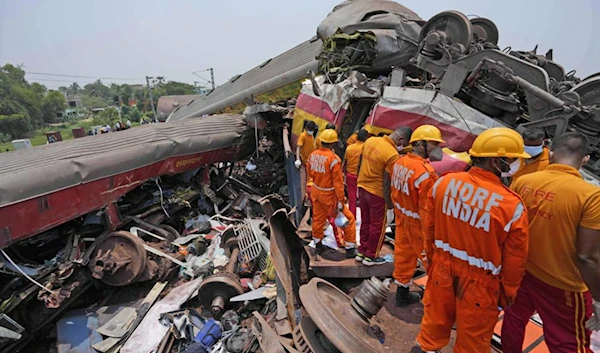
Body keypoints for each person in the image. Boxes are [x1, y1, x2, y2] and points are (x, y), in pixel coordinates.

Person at [417, 127, 530, 353]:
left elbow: (428, 227)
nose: (515, 164)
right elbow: (515, 260)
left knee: (434, 324)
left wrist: (432, 261)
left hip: (442, 268)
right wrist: (506, 295)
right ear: (496, 162)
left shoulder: (444, 183)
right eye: (512, 159)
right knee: (473, 343)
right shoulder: (512, 206)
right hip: (482, 285)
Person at [502, 132, 600, 353]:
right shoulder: (591, 196)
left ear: (552, 152)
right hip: (563, 284)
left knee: (514, 319)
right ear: (585, 159)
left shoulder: (523, 181)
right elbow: (587, 257)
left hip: (523, 271)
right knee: (567, 342)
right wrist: (599, 299)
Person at [391, 125, 444, 307]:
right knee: (433, 263)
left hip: (402, 217)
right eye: (434, 143)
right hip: (418, 224)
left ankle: (402, 294)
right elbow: (428, 210)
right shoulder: (425, 174)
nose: (438, 148)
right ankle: (434, 305)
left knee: (404, 255)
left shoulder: (400, 162)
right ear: (420, 144)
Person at [355, 127, 411, 266]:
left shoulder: (370, 141)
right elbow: (387, 183)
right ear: (400, 140)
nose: (403, 147)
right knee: (378, 226)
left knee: (365, 221)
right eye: (404, 144)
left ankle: (362, 251)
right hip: (377, 193)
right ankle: (371, 256)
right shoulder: (392, 155)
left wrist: (358, 181)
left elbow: (360, 162)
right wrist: (390, 207)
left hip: (362, 188)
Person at [307, 129, 357, 258]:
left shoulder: (313, 155)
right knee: (349, 220)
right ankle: (350, 248)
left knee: (318, 219)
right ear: (333, 144)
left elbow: (310, 173)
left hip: (316, 192)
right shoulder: (334, 159)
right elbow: (338, 183)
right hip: (329, 196)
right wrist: (341, 200)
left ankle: (318, 244)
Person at [343, 128, 369, 218]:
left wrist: (344, 173)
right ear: (366, 138)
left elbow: (345, 163)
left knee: (352, 198)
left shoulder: (349, 148)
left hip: (350, 175)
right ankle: (364, 217)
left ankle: (352, 216)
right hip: (362, 176)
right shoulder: (366, 149)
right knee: (364, 198)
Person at [295, 120, 317, 203]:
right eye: (310, 129)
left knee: (310, 179)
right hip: (305, 161)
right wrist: (298, 159)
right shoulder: (303, 136)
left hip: (311, 161)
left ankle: (308, 197)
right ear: (306, 128)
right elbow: (298, 148)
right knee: (305, 181)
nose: (311, 131)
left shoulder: (311, 136)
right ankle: (304, 198)